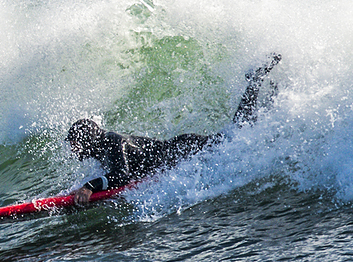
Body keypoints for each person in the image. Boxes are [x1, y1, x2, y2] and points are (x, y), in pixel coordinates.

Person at [65, 54, 279, 205]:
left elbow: (121, 174)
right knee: (238, 134)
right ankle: (265, 94)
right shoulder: (102, 149)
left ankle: (257, 81)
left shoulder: (112, 140)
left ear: (88, 140)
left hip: (185, 149)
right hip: (181, 149)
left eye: (76, 144)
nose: (74, 151)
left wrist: (89, 187)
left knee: (238, 135)